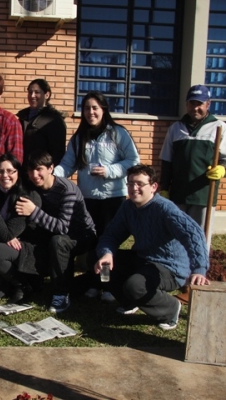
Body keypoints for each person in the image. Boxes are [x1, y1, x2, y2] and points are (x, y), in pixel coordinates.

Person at [95, 164, 209, 330]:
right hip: (143, 258)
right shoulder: (128, 207)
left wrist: (199, 268)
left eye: (140, 184)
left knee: (135, 286)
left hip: (170, 266)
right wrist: (106, 253)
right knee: (100, 262)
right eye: (130, 183)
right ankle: (129, 302)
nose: (134, 188)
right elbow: (111, 235)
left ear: (154, 187)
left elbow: (193, 234)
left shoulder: (165, 208)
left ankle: (170, 309)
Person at [54, 91, 140, 301]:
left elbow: (133, 161)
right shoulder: (79, 138)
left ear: (103, 110)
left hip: (113, 198)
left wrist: (109, 171)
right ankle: (94, 283)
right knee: (93, 242)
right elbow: (67, 164)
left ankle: (108, 286)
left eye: (95, 108)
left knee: (108, 242)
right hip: (88, 199)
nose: (90, 112)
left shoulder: (118, 133)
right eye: (86, 108)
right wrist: (51, 175)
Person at [16, 150, 96, 313]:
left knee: (58, 241)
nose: (34, 175)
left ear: (51, 168)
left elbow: (62, 228)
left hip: (82, 234)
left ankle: (61, 293)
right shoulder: (32, 186)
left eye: (39, 169)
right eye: (30, 170)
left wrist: (33, 211)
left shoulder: (67, 190)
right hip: (53, 230)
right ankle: (31, 280)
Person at [160, 84, 226, 248]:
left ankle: (200, 264)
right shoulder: (176, 128)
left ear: (208, 104)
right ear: (186, 104)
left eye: (199, 104)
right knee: (176, 236)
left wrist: (222, 168)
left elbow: (225, 158)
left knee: (200, 237)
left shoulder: (219, 127)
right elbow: (167, 161)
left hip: (203, 194)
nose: (195, 108)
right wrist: (164, 188)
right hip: (178, 193)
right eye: (191, 103)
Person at [0, 153, 42, 304]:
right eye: (0, 171)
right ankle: (12, 280)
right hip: (6, 248)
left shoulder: (26, 197)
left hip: (27, 250)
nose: (5, 175)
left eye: (10, 171)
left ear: (18, 172)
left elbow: (8, 234)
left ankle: (23, 284)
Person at [17, 78, 67, 164]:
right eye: (30, 92)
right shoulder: (22, 117)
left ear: (47, 95)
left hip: (40, 169)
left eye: (37, 92)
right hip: (22, 169)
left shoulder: (54, 120)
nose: (32, 95)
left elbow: (58, 153)